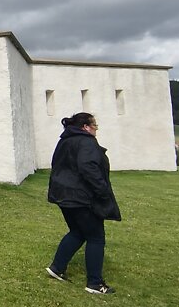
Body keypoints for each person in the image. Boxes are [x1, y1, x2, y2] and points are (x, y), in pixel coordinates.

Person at [45, 112, 122, 295]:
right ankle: (95, 283)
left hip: (63, 195)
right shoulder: (86, 142)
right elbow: (88, 168)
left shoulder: (65, 141)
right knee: (96, 237)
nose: (96, 129)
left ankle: (57, 268)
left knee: (78, 232)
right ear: (85, 127)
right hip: (81, 198)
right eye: (94, 125)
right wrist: (102, 192)